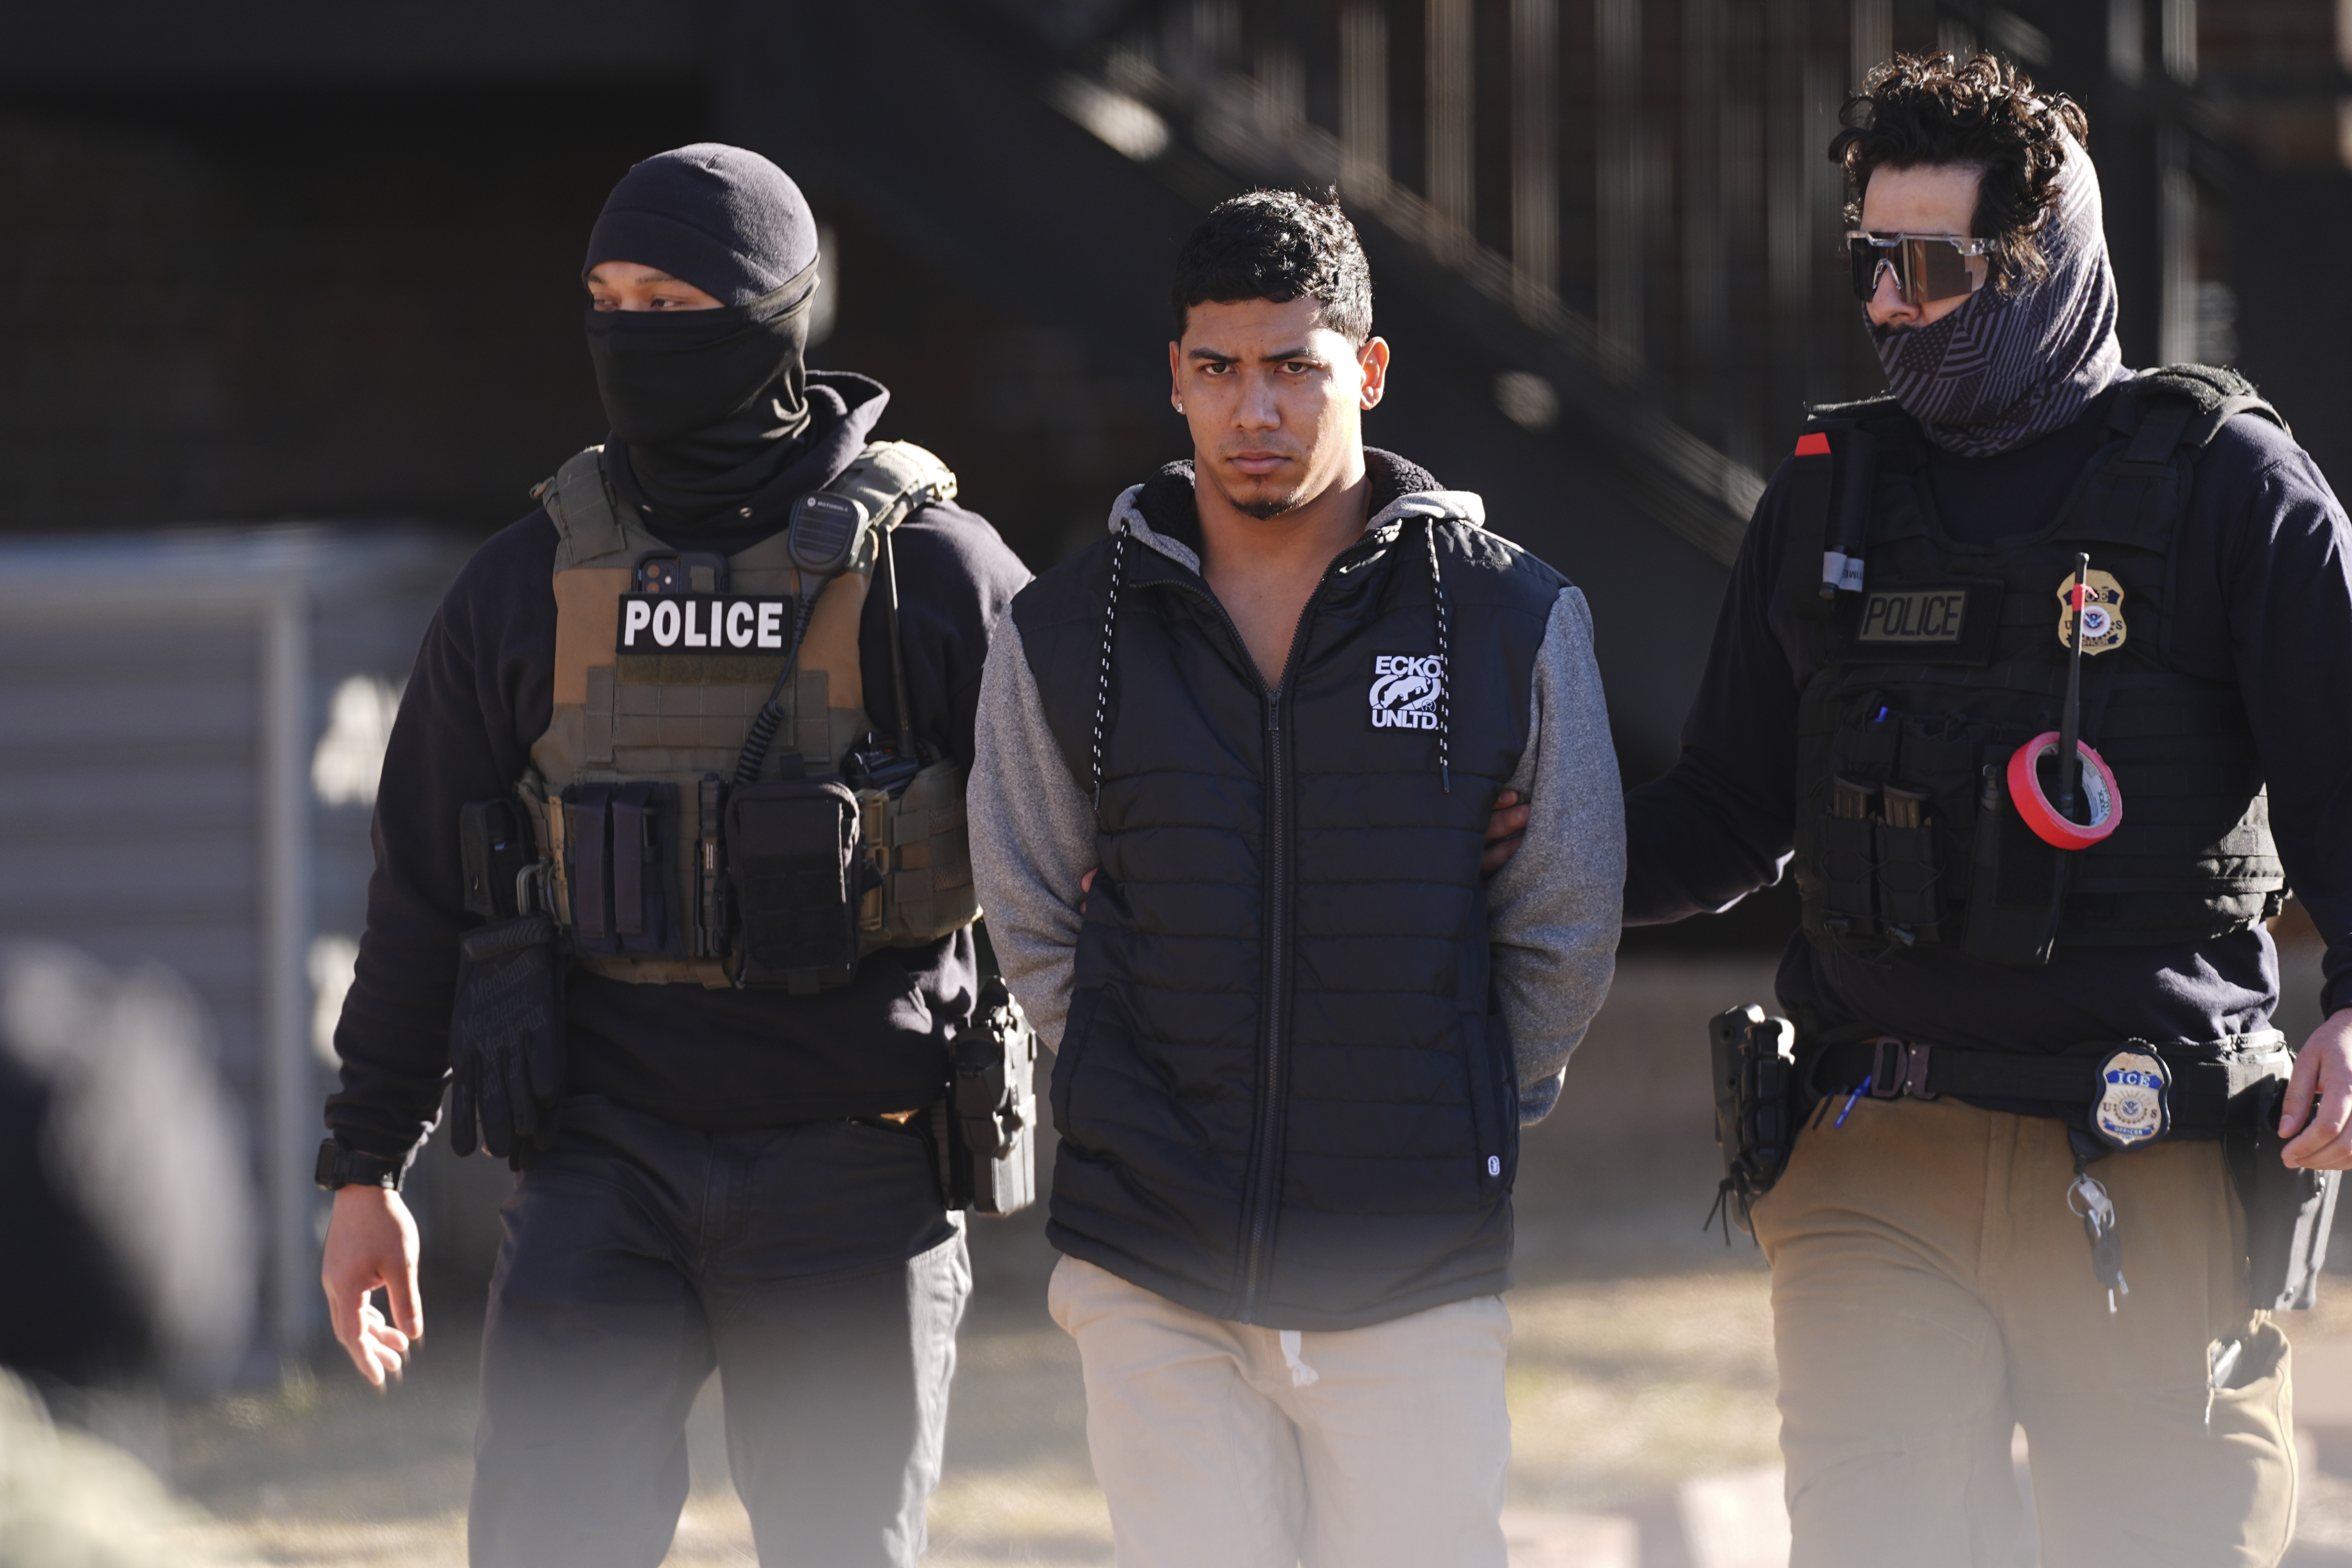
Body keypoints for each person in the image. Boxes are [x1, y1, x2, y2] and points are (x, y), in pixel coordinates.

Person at [1627, 54, 2352, 1568]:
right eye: (1868, 263)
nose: (1890, 305)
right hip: (1872, 1150)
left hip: (2139, 1145)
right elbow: (1717, 816)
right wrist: (1516, 853)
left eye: (1934, 268)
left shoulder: (2234, 489)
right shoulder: (1828, 492)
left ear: (2042, 270)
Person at [314, 143, 1034, 1568]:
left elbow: (1086, 863)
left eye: (672, 301)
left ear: (772, 316)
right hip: (602, 1168)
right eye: (608, 299)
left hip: (857, 1172)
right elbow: (421, 890)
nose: (632, 335)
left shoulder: (933, 575)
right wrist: (363, 1169)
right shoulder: (525, 585)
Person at [969, 188, 1624, 1568]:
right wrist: (1134, 1089)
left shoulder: (1511, 617)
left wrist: (1446, 1099)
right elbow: (1029, 906)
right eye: (1219, 370)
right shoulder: (1066, 631)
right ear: (1176, 379)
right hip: (1152, 1266)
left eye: (1293, 367)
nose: (1253, 411)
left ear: (1367, 372)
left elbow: (1563, 923)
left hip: (1414, 1266)